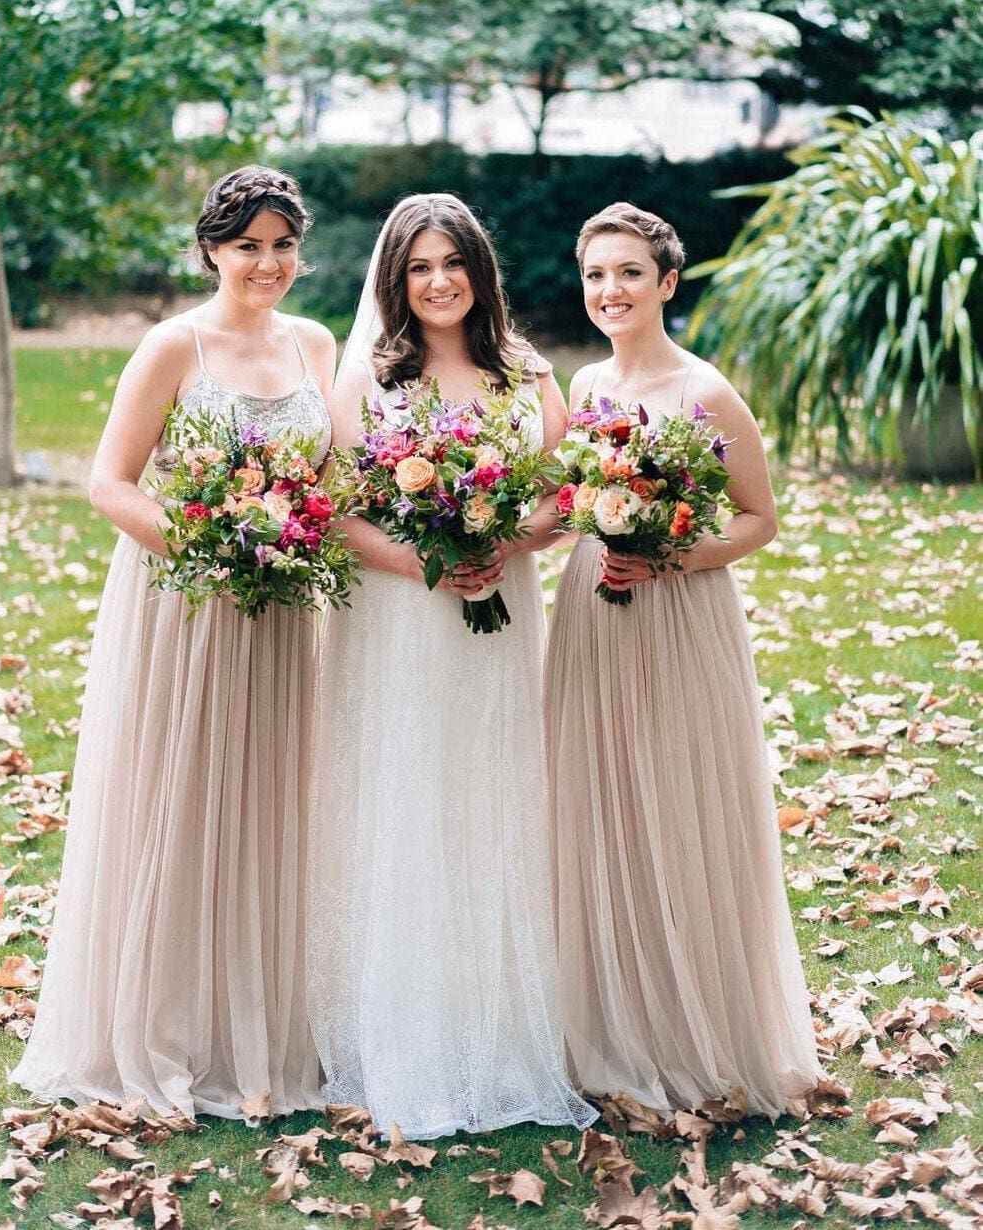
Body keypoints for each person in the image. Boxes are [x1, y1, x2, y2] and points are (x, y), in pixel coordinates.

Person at [12, 165, 334, 1120]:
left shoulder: (317, 345)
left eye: (281, 245)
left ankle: (253, 1029)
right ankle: (152, 1026)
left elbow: (337, 480)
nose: (266, 263)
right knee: (175, 793)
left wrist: (290, 539)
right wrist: (211, 543)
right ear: (211, 250)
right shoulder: (172, 344)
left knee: (268, 799)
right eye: (247, 246)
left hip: (279, 608)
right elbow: (110, 482)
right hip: (182, 600)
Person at [307, 194, 595, 1140]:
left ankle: (500, 1027)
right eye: (420, 266)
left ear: (480, 269)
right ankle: (407, 1034)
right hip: (401, 624)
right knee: (411, 800)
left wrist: (504, 541)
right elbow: (337, 511)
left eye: (453, 262)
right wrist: (423, 562)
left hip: (501, 615)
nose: (439, 281)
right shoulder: (368, 385)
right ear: (396, 278)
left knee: (493, 797)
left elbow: (564, 494)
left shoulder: (525, 374)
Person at [544, 201, 819, 1117]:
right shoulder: (584, 388)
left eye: (628, 273)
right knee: (602, 799)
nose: (610, 290)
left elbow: (758, 518)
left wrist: (671, 555)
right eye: (595, 274)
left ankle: (699, 1030)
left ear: (667, 282)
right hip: (593, 604)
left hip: (679, 610)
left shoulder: (705, 391)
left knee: (678, 800)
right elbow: (568, 504)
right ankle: (616, 1024)